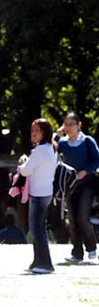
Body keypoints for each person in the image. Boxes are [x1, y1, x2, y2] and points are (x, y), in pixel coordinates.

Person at [56, 113, 99, 263]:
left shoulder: (87, 141)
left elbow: (97, 159)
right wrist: (57, 135)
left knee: (83, 217)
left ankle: (92, 249)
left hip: (87, 183)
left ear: (78, 125)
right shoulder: (63, 142)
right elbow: (52, 150)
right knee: (72, 219)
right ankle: (77, 252)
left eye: (71, 124)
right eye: (65, 124)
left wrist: (85, 171)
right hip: (69, 185)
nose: (68, 127)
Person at [17, 119, 58, 272]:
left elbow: (26, 170)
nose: (33, 134)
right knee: (39, 227)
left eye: (37, 131)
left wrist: (22, 162)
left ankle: (45, 264)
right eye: (32, 131)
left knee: (36, 229)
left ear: (45, 133)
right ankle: (37, 262)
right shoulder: (51, 148)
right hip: (46, 192)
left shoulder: (40, 150)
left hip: (38, 193)